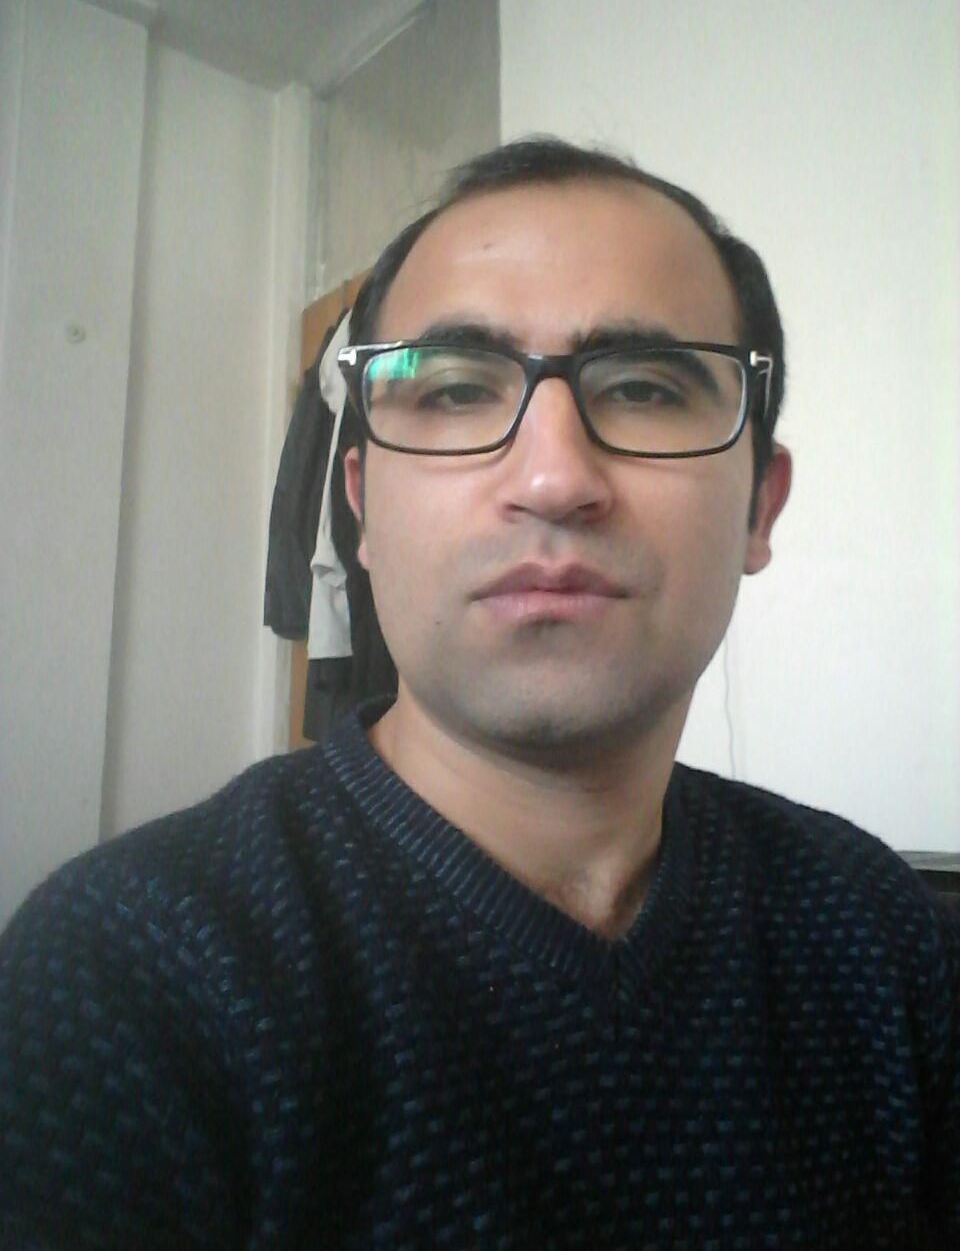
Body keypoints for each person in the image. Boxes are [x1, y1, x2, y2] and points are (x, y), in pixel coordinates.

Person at [0, 137, 956, 1250]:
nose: (553, 478)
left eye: (645, 387)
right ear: (362, 506)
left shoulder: (878, 932)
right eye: (455, 389)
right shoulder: (128, 972)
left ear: (759, 509)